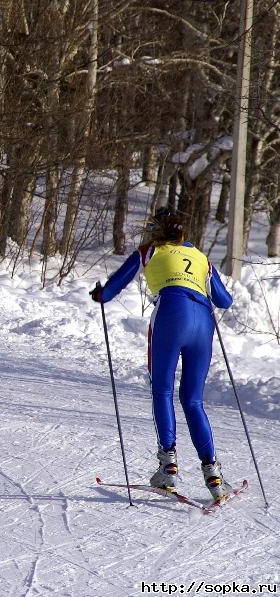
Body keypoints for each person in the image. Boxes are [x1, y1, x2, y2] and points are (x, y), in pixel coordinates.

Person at [91, 207, 234, 500]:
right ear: (183, 233)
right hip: (203, 320)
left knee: (162, 391)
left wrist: (99, 294)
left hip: (171, 314)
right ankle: (213, 474)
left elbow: (111, 290)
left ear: (157, 230)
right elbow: (225, 300)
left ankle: (168, 466)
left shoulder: (149, 252)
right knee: (193, 400)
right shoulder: (201, 258)